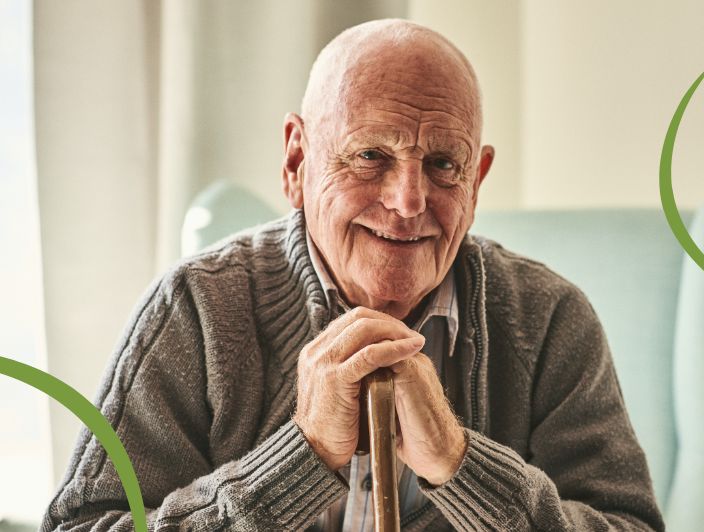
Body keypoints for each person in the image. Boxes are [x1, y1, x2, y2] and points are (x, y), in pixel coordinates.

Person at [42, 19, 664, 531]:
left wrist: (462, 464)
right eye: (371, 155)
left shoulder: (550, 319)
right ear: (296, 161)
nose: (410, 201)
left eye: (445, 163)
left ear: (477, 183)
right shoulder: (196, 308)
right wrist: (298, 460)